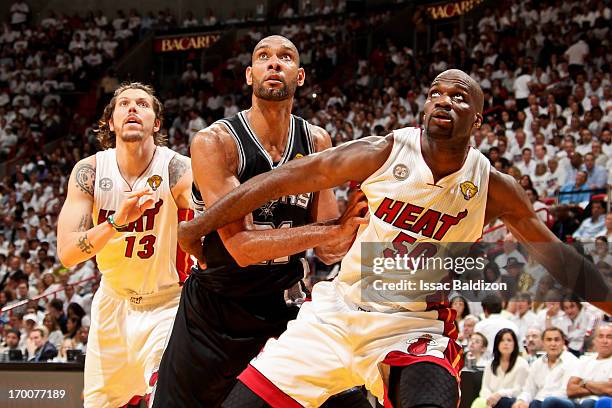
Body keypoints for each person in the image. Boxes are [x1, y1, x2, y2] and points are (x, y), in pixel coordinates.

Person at [185, 69, 610, 408]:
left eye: (459, 97)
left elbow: (563, 262)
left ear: (478, 120)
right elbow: (276, 182)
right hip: (338, 312)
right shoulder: (381, 153)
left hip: (415, 323)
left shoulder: (494, 187)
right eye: (436, 93)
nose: (444, 100)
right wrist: (197, 227)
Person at [152, 35, 369, 408]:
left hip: (283, 306)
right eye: (264, 57)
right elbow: (242, 248)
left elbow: (330, 252)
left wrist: (354, 222)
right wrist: (332, 229)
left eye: (285, 57)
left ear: (298, 77)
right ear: (249, 75)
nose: (274, 63)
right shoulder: (215, 142)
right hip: (216, 310)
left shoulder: (316, 141)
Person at [56, 82, 193, 407]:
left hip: (168, 303)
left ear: (156, 123)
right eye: (124, 104)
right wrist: (117, 221)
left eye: (143, 104)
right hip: (113, 303)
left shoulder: (176, 168)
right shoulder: (88, 171)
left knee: (168, 398)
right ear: (111, 122)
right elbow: (67, 253)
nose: (133, 108)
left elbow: (204, 204)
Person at [540, 323, 611, 408]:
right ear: (594, 340)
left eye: (609, 337)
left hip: (597, 403)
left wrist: (585, 383)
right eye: (601, 336)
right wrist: (599, 388)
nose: (604, 341)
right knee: (549, 401)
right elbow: (570, 390)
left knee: (588, 403)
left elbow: (610, 389)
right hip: (576, 403)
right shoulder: (585, 359)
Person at [513, 327, 578, 408]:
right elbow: (529, 390)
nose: (553, 344)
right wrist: (521, 400)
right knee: (514, 403)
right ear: (543, 343)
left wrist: (541, 400)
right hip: (539, 403)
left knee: (548, 401)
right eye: (549, 340)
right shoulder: (537, 364)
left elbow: (565, 392)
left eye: (556, 340)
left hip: (564, 403)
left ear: (563, 342)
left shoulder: (571, 361)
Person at [472, 329, 529, 408]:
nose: (506, 343)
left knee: (503, 401)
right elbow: (485, 388)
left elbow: (519, 390)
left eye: (509, 340)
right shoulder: (490, 364)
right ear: (497, 344)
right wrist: (490, 400)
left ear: (515, 344)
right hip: (491, 402)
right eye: (502, 340)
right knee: (479, 401)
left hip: (511, 401)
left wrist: (499, 394)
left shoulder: (522, 363)